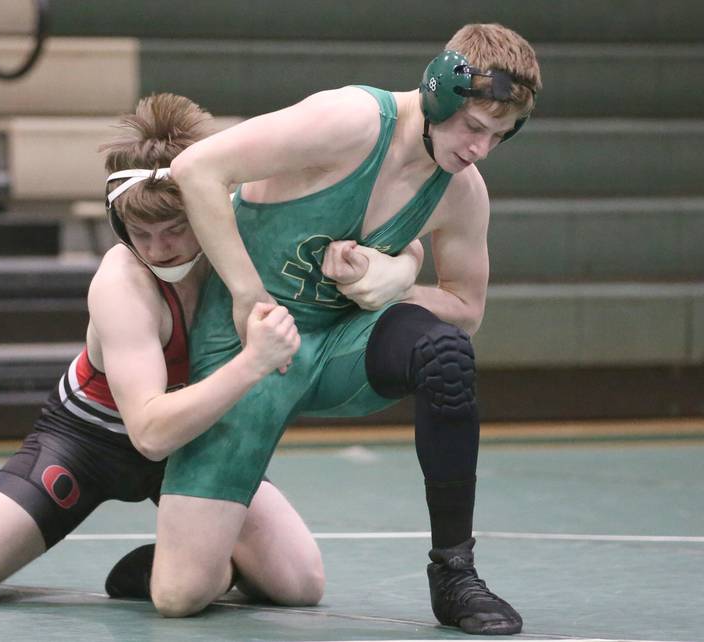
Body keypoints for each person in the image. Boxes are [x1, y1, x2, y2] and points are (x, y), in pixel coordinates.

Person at [117, 23, 541, 635]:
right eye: (474, 126)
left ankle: (454, 571)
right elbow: (197, 169)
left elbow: (466, 308)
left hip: (343, 347)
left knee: (445, 352)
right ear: (439, 94)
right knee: (188, 596)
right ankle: (198, 551)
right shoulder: (352, 121)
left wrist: (400, 282)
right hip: (249, 349)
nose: (479, 148)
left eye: (499, 136)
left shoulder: (462, 193)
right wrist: (245, 292)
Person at [0, 94, 351, 607]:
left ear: (208, 211)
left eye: (174, 229)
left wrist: (372, 267)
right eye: (140, 233)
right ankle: (193, 559)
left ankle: (184, 566)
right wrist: (252, 363)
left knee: (300, 586)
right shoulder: (122, 281)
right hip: (88, 441)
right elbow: (149, 432)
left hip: (200, 440)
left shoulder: (242, 251)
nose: (157, 248)